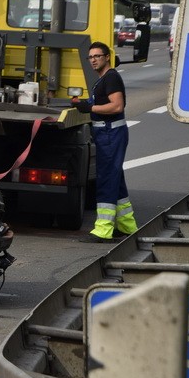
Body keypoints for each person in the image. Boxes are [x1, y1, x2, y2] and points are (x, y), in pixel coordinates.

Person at [73, 41, 139, 242]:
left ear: (107, 57)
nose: (93, 60)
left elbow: (117, 106)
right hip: (107, 134)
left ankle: (103, 229)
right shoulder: (102, 80)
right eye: (90, 57)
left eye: (97, 56)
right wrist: (85, 104)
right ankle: (127, 225)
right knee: (116, 179)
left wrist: (90, 109)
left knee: (107, 179)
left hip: (111, 134)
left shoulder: (111, 78)